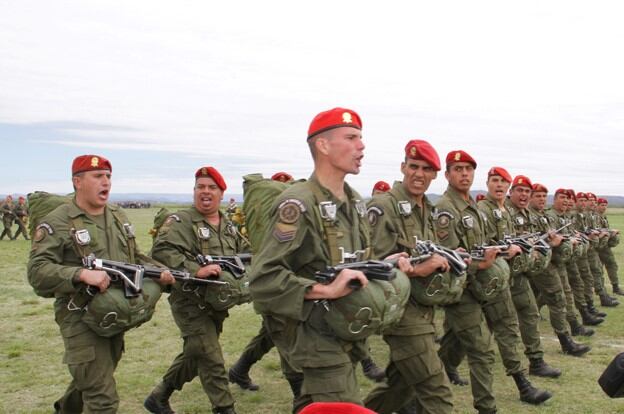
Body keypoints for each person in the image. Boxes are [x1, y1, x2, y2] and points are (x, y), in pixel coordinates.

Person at [249, 107, 384, 412]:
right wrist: (326, 290)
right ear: (323, 145)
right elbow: (262, 279)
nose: (361, 146)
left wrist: (387, 264)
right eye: (351, 137)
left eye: (361, 138)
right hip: (316, 339)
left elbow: (354, 262)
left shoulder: (354, 202)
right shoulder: (297, 203)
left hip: (345, 331)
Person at [27, 154, 174, 413]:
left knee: (95, 375)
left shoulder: (117, 215)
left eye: (108, 176)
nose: (105, 182)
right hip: (79, 316)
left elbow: (134, 257)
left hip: (113, 311)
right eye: (97, 176)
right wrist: (80, 274)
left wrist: (159, 271)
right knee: (102, 399)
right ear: (77, 182)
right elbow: (37, 272)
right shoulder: (58, 221)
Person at [446, 166, 554, 405]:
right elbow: (471, 249)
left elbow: (495, 243)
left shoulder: (498, 211)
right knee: (464, 339)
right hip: (472, 281)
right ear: (487, 183)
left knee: (506, 326)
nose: (499, 186)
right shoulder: (480, 209)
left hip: (496, 279)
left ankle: (522, 383)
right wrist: (503, 251)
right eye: (495, 181)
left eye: (503, 182)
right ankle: (442, 367)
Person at [145, 166, 247, 414]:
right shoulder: (181, 221)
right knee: (211, 358)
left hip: (217, 303)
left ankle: (159, 397)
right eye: (200, 187)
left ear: (221, 193)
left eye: (212, 187)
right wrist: (194, 269)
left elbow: (246, 253)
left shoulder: (228, 225)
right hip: (190, 302)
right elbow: (161, 252)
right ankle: (224, 409)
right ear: (193, 192)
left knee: (195, 353)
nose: (205, 192)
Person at [363, 139, 454, 414]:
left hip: (423, 310)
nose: (419, 174)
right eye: (413, 166)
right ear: (403, 167)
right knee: (437, 393)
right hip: (401, 314)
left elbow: (425, 250)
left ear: (434, 175)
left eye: (426, 169)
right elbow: (371, 265)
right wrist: (416, 269)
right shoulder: (383, 207)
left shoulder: (427, 208)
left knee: (399, 387)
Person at [434, 150, 498, 414]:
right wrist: (481, 264)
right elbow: (449, 255)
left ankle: (422, 383)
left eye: (468, 169)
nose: (464, 174)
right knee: (482, 351)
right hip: (459, 290)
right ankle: (487, 408)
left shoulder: (472, 205)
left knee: (453, 342)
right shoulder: (445, 209)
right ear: (447, 174)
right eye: (458, 169)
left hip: (477, 288)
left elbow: (480, 245)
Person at [507, 176, 590, 357]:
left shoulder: (535, 216)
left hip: (540, 263)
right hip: (520, 266)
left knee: (550, 300)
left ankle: (561, 342)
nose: (541, 199)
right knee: (500, 313)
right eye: (537, 195)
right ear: (511, 192)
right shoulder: (509, 213)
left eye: (543, 195)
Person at [596, 198, 622, 296]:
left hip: (604, 245)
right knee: (602, 267)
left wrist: (611, 232)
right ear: (597, 205)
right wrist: (611, 233)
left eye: (605, 205)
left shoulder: (603, 217)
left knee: (609, 265)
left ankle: (612, 287)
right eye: (602, 205)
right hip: (599, 246)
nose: (604, 207)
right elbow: (598, 231)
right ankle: (605, 290)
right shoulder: (595, 217)